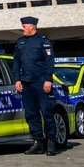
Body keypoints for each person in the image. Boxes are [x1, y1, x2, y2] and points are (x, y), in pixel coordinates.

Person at [13, 16, 58, 156]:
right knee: (31, 114)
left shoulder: (43, 42)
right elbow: (16, 62)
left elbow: (49, 61)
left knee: (47, 112)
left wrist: (48, 80)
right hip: (26, 83)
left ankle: (51, 141)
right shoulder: (20, 42)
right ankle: (38, 142)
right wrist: (17, 80)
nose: (22, 28)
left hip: (41, 82)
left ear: (32, 27)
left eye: (24, 26)